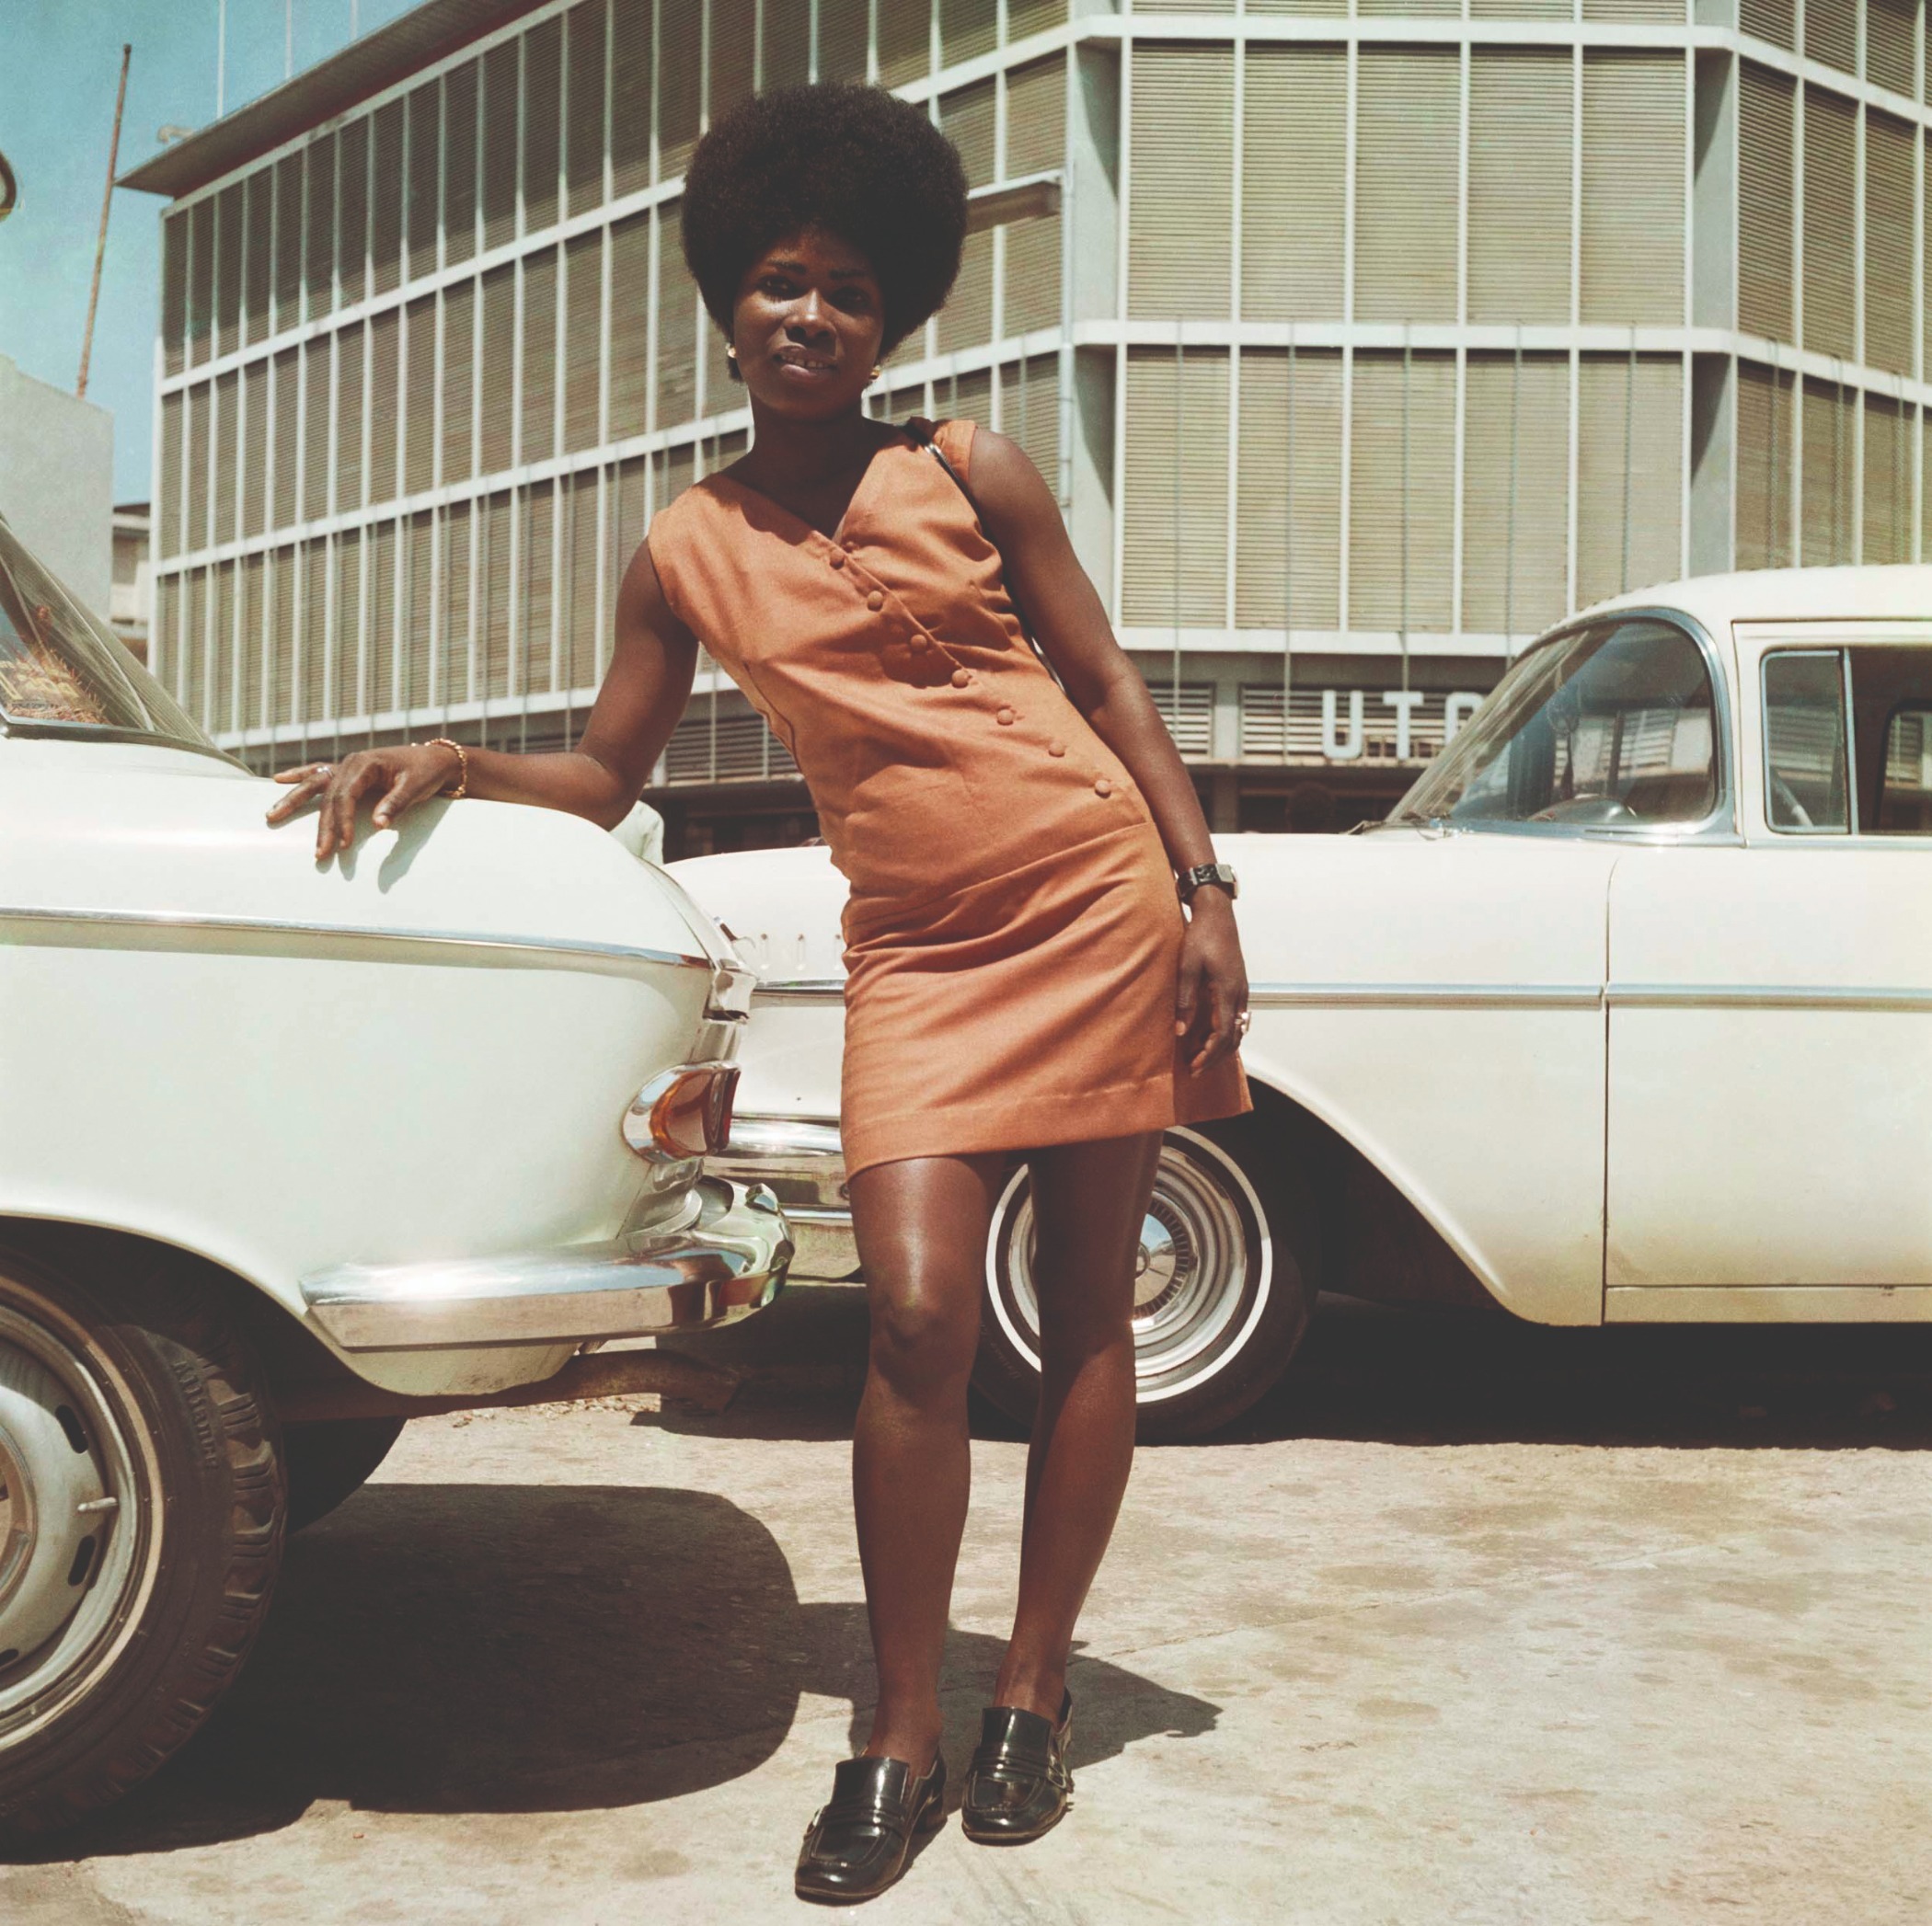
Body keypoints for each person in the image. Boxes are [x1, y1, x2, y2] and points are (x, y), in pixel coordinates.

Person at [266, 82, 1250, 1906]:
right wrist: (451, 761)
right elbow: (609, 774)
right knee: (919, 1319)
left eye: (851, 293)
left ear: (895, 321)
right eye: (782, 283)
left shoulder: (969, 465)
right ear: (731, 299)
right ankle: (899, 1728)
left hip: (1099, 900)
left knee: (1093, 1311)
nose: (812, 316)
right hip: (918, 954)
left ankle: (1029, 1691)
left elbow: (1109, 688)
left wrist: (1205, 889)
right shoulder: (680, 550)